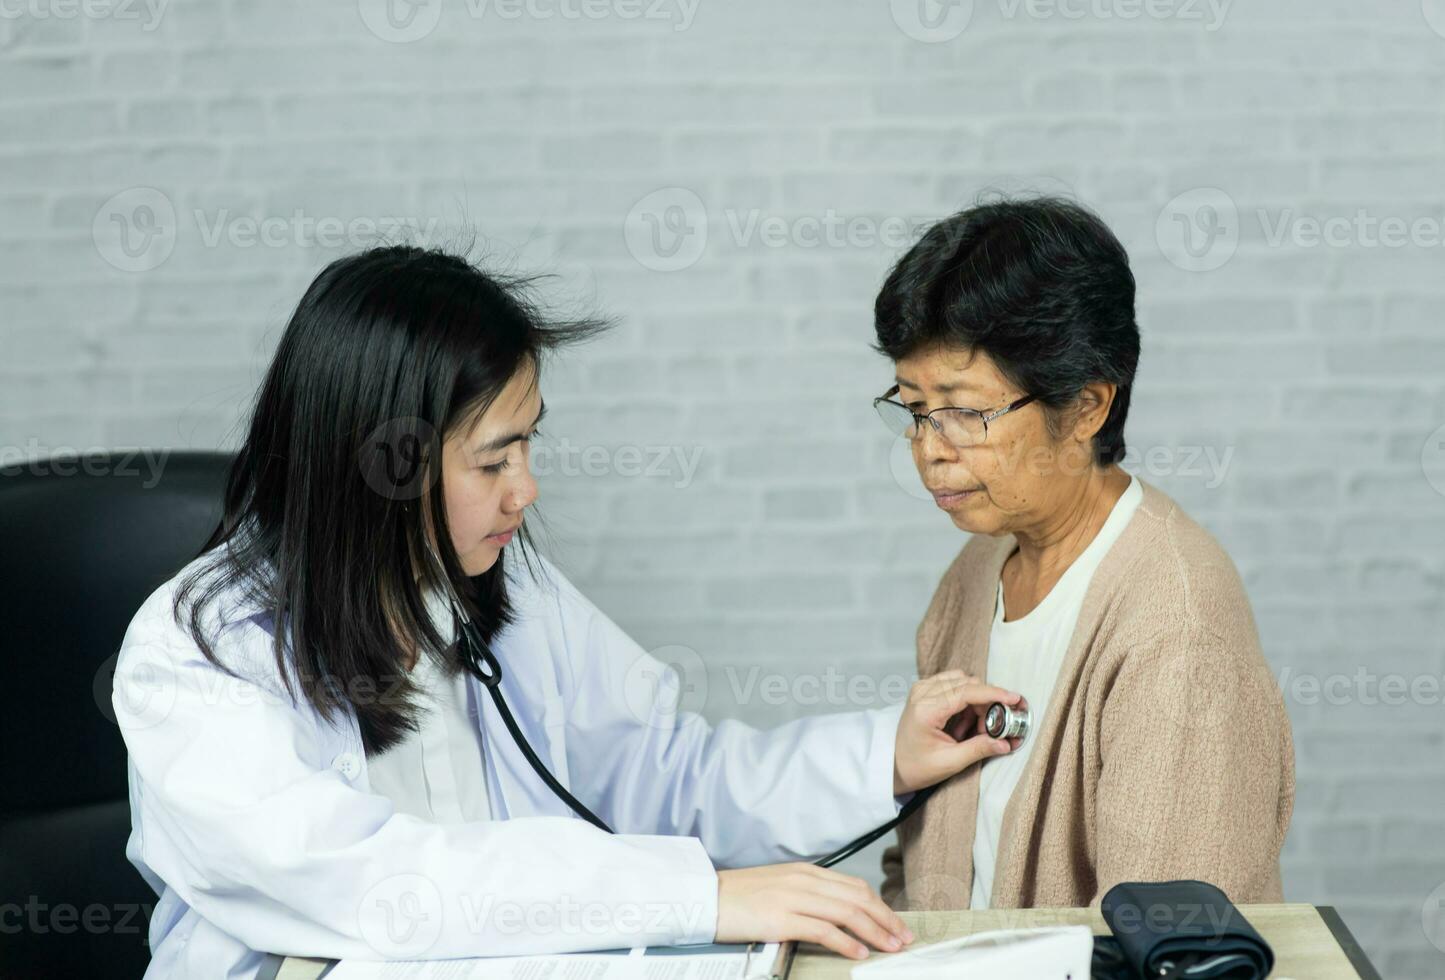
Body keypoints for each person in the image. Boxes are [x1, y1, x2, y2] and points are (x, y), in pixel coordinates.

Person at [112, 245, 1024, 979]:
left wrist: (879, 755)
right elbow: (380, 882)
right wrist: (694, 897)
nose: (525, 491)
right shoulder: (194, 655)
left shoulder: (500, 590)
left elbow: (660, 778)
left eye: (528, 444)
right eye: (493, 460)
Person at [872, 197, 1295, 911]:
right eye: (913, 409)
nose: (929, 449)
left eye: (965, 413)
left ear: (1087, 406)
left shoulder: (1176, 624)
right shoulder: (975, 573)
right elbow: (915, 855)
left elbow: (1166, 940)